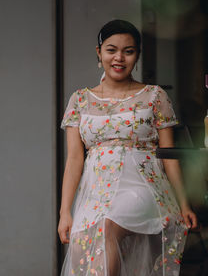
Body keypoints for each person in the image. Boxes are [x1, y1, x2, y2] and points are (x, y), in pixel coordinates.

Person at [58, 19, 198, 276]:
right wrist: (65, 212)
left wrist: (184, 203)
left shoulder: (155, 96)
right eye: (111, 50)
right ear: (99, 53)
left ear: (137, 55)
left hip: (141, 188)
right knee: (82, 249)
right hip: (96, 194)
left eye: (128, 51)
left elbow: (169, 156)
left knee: (106, 228)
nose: (119, 58)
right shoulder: (79, 100)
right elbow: (75, 159)